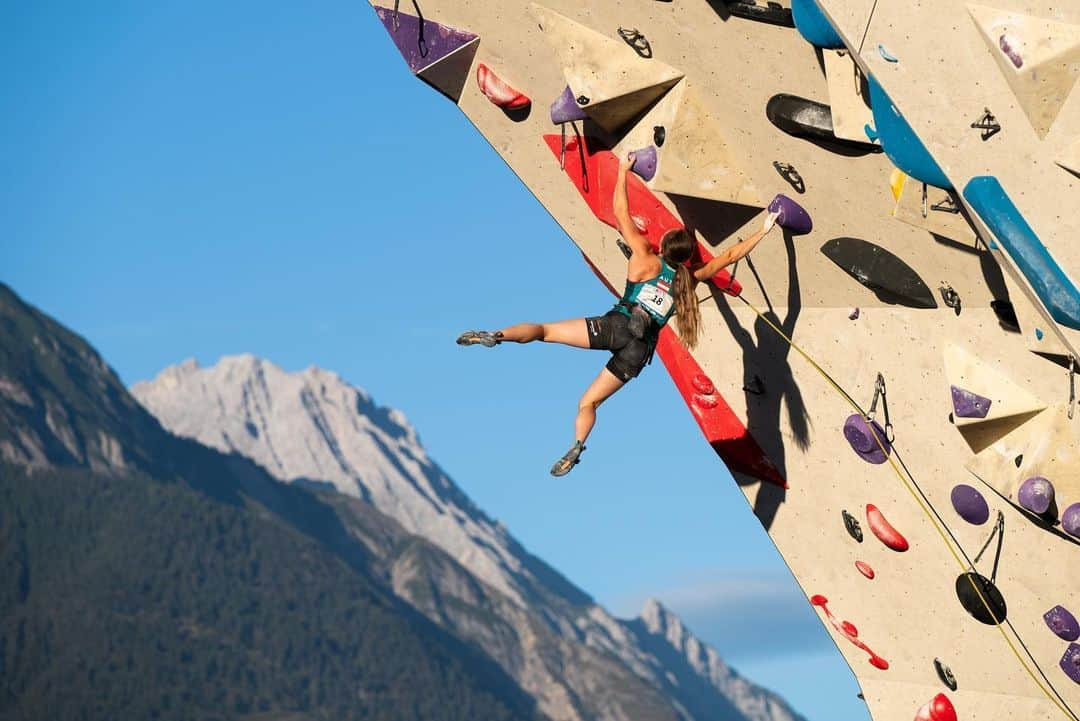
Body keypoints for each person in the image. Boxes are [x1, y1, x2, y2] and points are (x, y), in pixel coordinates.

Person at [457, 152, 780, 476]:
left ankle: (496, 336)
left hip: (616, 325)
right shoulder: (690, 280)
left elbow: (620, 212)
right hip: (637, 351)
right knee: (588, 403)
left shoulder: (644, 257)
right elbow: (729, 255)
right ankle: (578, 445)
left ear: (664, 244)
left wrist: (624, 170)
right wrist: (766, 228)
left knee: (544, 331)